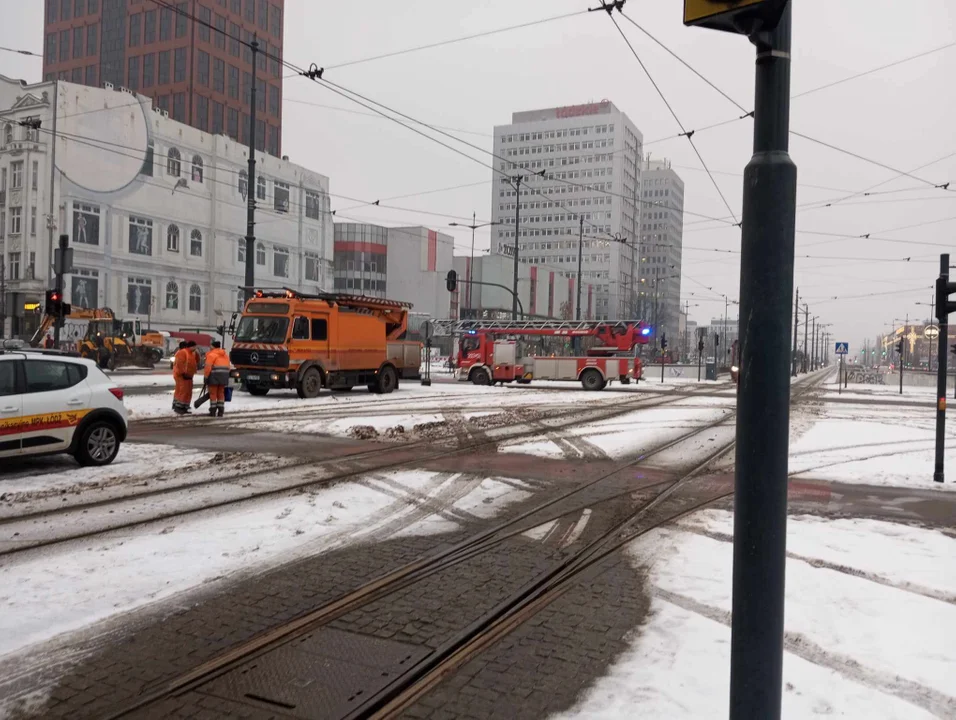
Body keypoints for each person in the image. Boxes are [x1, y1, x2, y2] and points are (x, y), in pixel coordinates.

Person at [203, 341, 231, 417]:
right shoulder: (225, 355)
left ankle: (212, 411)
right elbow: (228, 367)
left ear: (213, 346)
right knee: (221, 393)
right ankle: (221, 411)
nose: (210, 347)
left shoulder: (211, 355)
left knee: (213, 393)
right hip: (224, 377)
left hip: (214, 376)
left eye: (211, 345)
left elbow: (208, 367)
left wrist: (205, 377)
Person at [172, 341, 198, 414]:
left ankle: (184, 407)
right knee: (183, 391)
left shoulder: (191, 353)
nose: (196, 348)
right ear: (191, 346)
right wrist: (182, 373)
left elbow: (195, 362)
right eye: (195, 347)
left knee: (187, 392)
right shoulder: (183, 353)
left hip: (189, 376)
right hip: (183, 375)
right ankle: (179, 407)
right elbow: (179, 364)